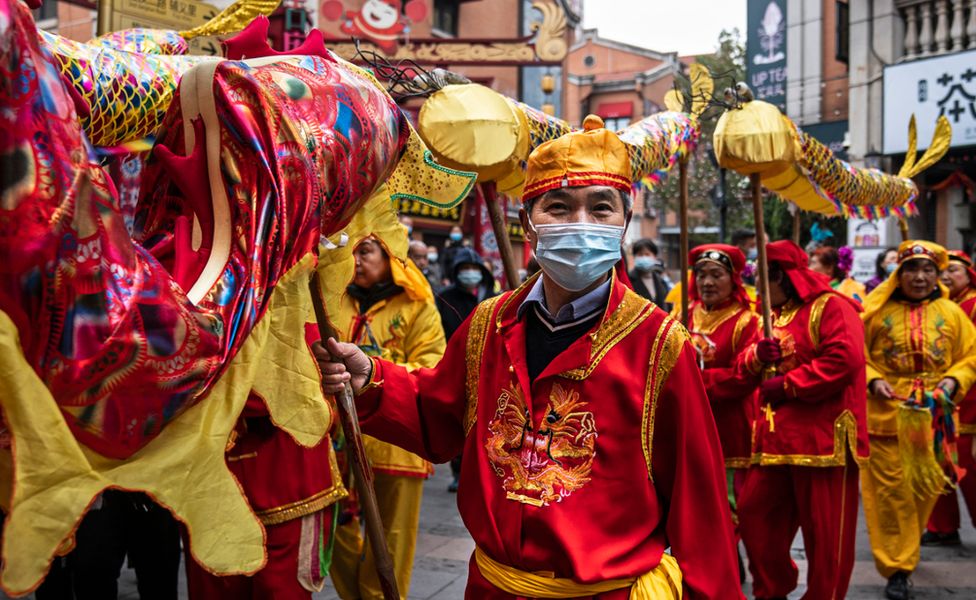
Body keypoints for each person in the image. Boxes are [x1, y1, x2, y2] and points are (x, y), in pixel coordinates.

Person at [315, 114, 740, 598]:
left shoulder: (661, 343)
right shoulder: (489, 323)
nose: (581, 224)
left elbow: (699, 504)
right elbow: (437, 415)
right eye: (559, 207)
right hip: (493, 587)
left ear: (623, 223)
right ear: (527, 224)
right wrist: (371, 376)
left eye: (601, 209)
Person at [735, 240, 868, 600]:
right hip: (773, 442)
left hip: (822, 441)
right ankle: (772, 590)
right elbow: (743, 365)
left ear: (779, 275)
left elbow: (845, 359)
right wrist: (755, 357)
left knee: (827, 540)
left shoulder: (832, 307)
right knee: (754, 518)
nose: (756, 289)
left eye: (762, 279)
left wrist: (790, 386)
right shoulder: (770, 316)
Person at [329, 233, 446, 600]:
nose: (356, 261)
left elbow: (431, 368)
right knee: (332, 528)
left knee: (393, 539)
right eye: (350, 253)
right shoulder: (333, 298)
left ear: (390, 255)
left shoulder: (416, 303)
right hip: (336, 440)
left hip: (398, 438)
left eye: (365, 251)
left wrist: (376, 372)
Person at [861, 241, 976, 600]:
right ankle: (897, 567)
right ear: (898, 274)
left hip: (934, 415)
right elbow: (857, 355)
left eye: (928, 270)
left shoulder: (952, 312)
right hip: (886, 416)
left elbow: (969, 356)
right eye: (912, 269)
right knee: (890, 496)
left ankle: (906, 552)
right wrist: (872, 378)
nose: (921, 277)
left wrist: (953, 380)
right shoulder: (875, 313)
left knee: (922, 494)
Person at [676, 243, 760, 582]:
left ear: (733, 278)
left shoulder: (747, 320)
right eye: (702, 274)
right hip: (690, 425)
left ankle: (728, 567)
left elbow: (743, 377)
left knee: (729, 503)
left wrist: (695, 382)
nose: (708, 282)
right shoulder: (684, 313)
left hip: (730, 426)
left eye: (717, 274)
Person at [435, 247, 499, 492]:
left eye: (474, 269)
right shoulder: (444, 297)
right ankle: (458, 471)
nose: (470, 274)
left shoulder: (492, 296)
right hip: (453, 364)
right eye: (464, 270)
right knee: (457, 419)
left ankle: (480, 471)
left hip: (486, 366)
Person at [924, 250, 976, 545]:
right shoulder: (939, 307)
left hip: (969, 403)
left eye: (953, 270)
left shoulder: (973, 305)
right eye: (942, 271)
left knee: (969, 469)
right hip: (938, 400)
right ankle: (942, 526)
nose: (946, 276)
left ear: (969, 275)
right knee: (937, 464)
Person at [628, 238, 670, 308]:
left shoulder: (661, 280)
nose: (644, 257)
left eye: (647, 254)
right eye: (640, 254)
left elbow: (667, 305)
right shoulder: (628, 280)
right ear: (634, 257)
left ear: (654, 257)